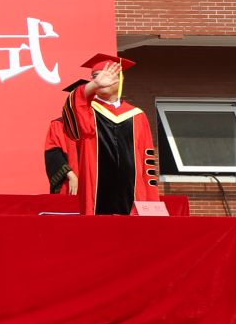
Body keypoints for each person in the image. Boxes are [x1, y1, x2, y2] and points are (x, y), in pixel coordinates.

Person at [61, 54, 162, 215]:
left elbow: (147, 162)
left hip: (133, 195)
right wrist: (94, 85)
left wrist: (151, 201)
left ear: (120, 79)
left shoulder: (137, 115)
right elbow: (73, 104)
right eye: (95, 76)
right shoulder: (88, 112)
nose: (102, 79)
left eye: (107, 74)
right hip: (97, 196)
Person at [44, 79, 87, 194]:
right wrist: (71, 176)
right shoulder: (59, 125)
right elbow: (53, 154)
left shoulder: (96, 125)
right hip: (69, 183)